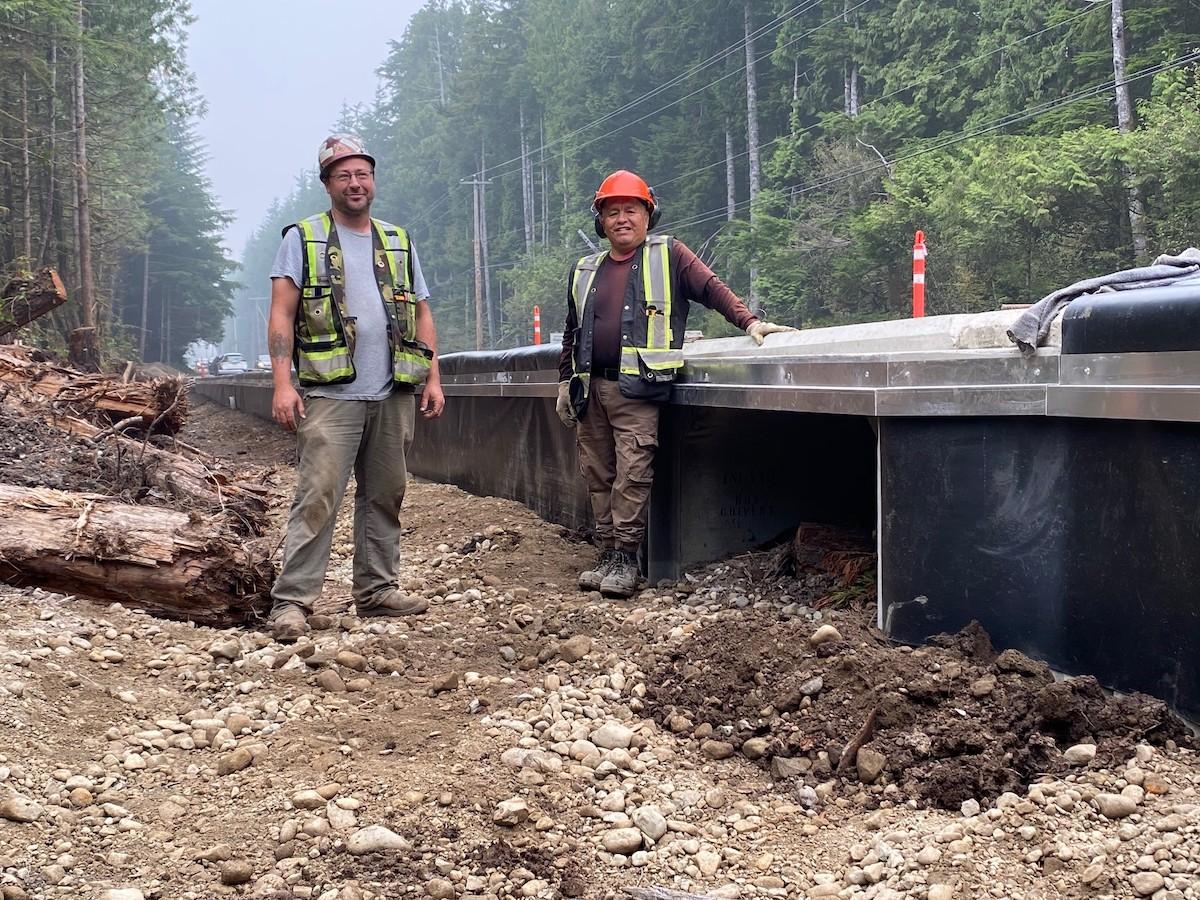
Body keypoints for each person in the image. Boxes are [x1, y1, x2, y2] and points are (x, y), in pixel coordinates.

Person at [557, 170, 795, 598]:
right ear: (601, 221)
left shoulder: (669, 255)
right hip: (590, 391)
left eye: (631, 210)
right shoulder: (585, 269)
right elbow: (572, 331)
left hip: (638, 390)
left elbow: (711, 288)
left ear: (649, 215)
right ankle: (608, 553)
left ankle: (627, 558)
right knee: (597, 473)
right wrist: (563, 382)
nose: (622, 219)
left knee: (632, 472)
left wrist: (751, 321)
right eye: (613, 212)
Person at [265, 133, 445, 642]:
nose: (355, 182)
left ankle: (377, 591)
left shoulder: (398, 240)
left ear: (373, 179)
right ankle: (293, 602)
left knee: (387, 494)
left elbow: (422, 312)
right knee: (318, 495)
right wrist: (282, 384)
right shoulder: (302, 239)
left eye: (362, 173)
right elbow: (281, 312)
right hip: (331, 394)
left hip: (393, 393)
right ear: (327, 184)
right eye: (343, 175)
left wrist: (433, 376)